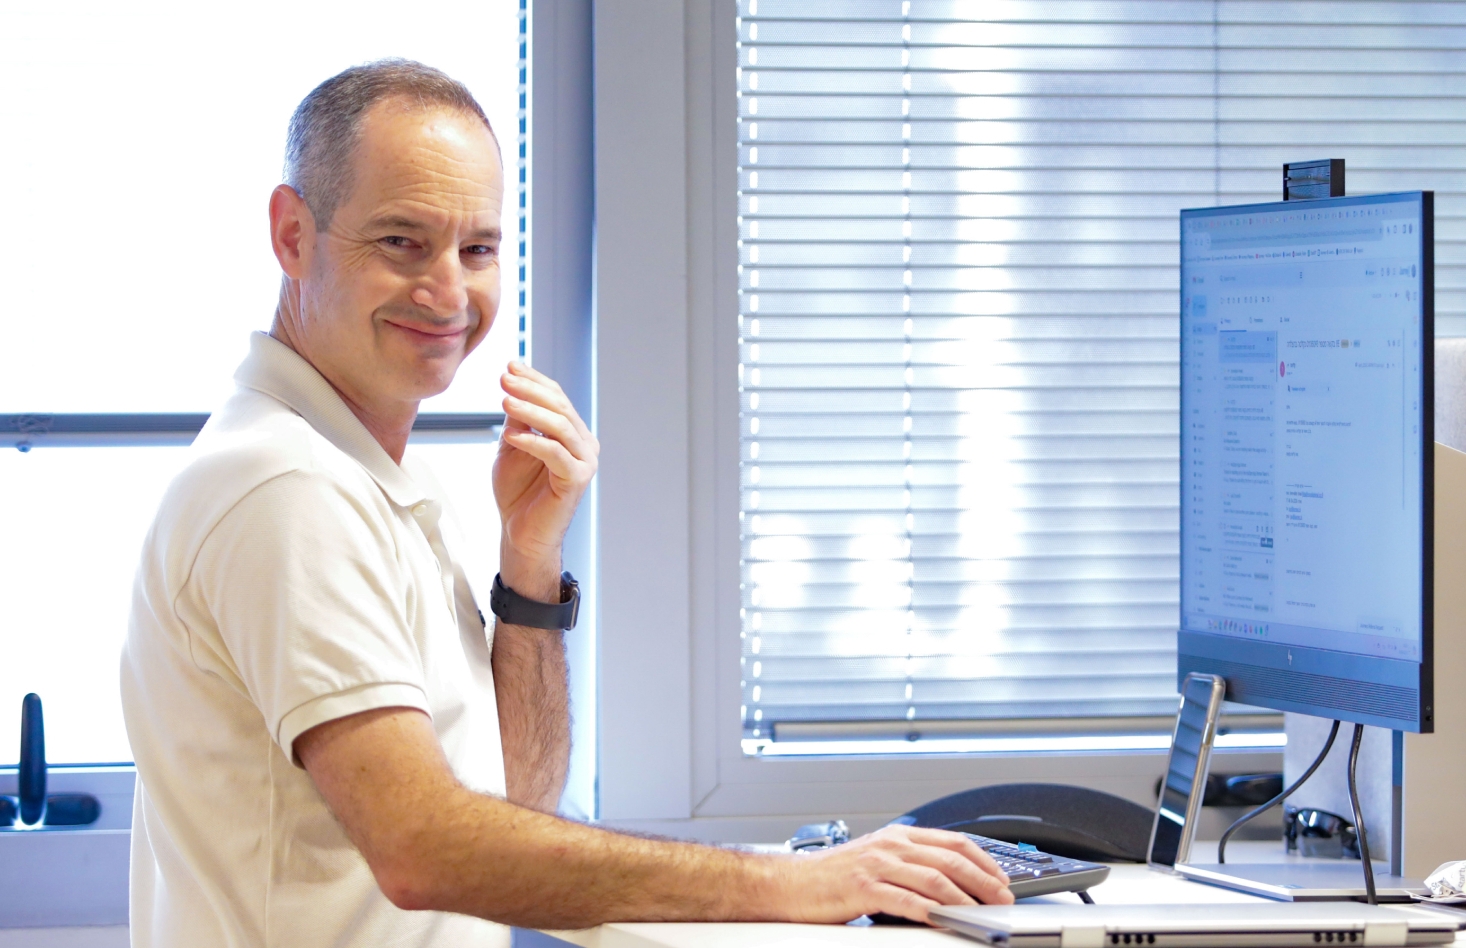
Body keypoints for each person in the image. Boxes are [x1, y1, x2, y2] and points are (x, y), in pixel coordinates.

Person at [120, 59, 1012, 947]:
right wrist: (793, 883)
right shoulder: (287, 490)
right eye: (400, 241)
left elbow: (511, 800)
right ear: (292, 235)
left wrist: (530, 564)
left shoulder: (370, 481)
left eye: (476, 248)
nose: (447, 292)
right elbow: (425, 848)